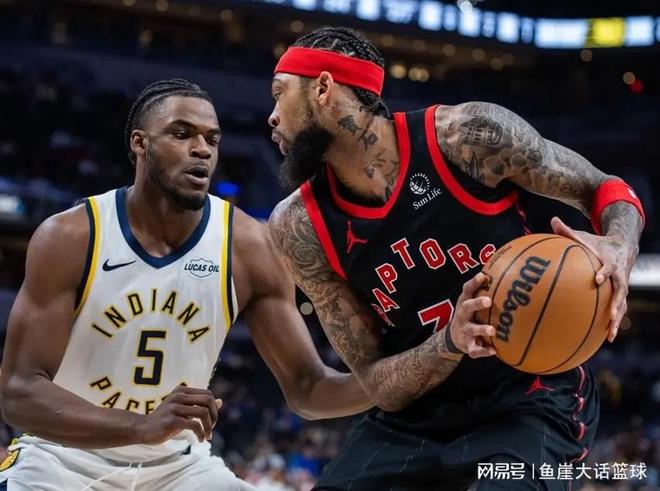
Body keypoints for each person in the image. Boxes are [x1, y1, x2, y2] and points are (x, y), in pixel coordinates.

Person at [267, 27, 645, 490]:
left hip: (530, 396)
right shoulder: (299, 228)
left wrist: (619, 246)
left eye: (279, 93)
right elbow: (376, 384)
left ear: (323, 88)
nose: (272, 116)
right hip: (415, 418)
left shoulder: (466, 137)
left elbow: (604, 188)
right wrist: (450, 341)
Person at [0, 79, 372, 490]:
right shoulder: (71, 236)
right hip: (61, 459)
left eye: (211, 139)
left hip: (178, 467)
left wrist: (404, 376)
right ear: (140, 144)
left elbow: (309, 387)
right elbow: (18, 392)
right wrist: (141, 426)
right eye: (182, 134)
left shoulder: (248, 246)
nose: (202, 150)